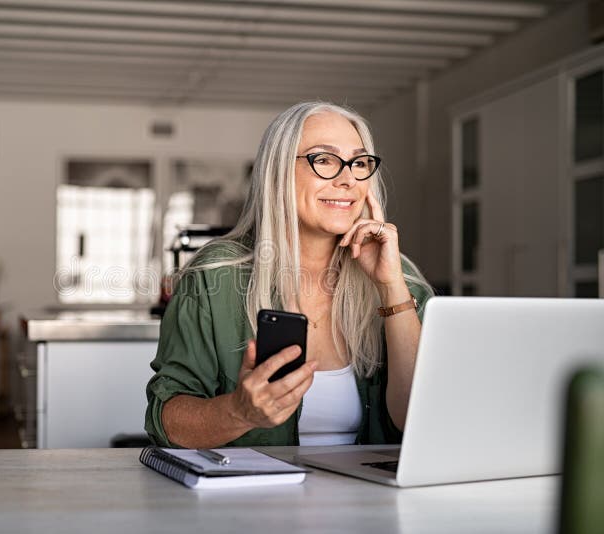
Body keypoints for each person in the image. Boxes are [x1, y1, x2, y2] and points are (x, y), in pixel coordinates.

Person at [145, 101, 433, 449]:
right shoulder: (213, 277)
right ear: (277, 172)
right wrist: (239, 412)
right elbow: (167, 421)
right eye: (323, 160)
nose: (347, 179)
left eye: (359, 163)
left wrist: (391, 288)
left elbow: (421, 420)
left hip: (374, 501)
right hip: (253, 499)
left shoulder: (401, 279)